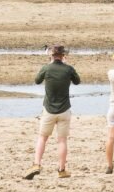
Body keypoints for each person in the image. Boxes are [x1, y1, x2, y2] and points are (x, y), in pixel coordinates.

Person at [24, 44, 81, 180]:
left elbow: (37, 81)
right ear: (63, 56)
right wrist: (66, 66)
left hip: (49, 109)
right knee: (62, 140)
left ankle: (37, 164)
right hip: (64, 109)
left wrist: (49, 65)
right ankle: (61, 169)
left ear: (52, 55)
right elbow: (77, 81)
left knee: (42, 137)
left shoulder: (46, 68)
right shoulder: (68, 69)